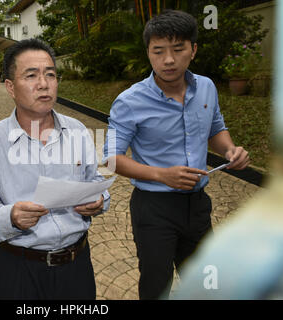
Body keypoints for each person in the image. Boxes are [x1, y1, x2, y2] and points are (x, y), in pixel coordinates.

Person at [103, 10, 250, 300]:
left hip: (198, 206)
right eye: (158, 51)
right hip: (153, 208)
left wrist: (230, 150)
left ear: (193, 50)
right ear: (148, 53)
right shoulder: (130, 101)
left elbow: (215, 128)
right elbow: (110, 158)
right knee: (157, 286)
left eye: (178, 49)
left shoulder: (206, 88)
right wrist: (162, 174)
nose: (168, 60)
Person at [0, 39, 110, 300]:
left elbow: (96, 180)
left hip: (76, 266)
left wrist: (99, 200)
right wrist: (10, 217)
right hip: (19, 269)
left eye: (50, 74)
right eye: (31, 75)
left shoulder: (78, 132)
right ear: (10, 87)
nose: (44, 84)